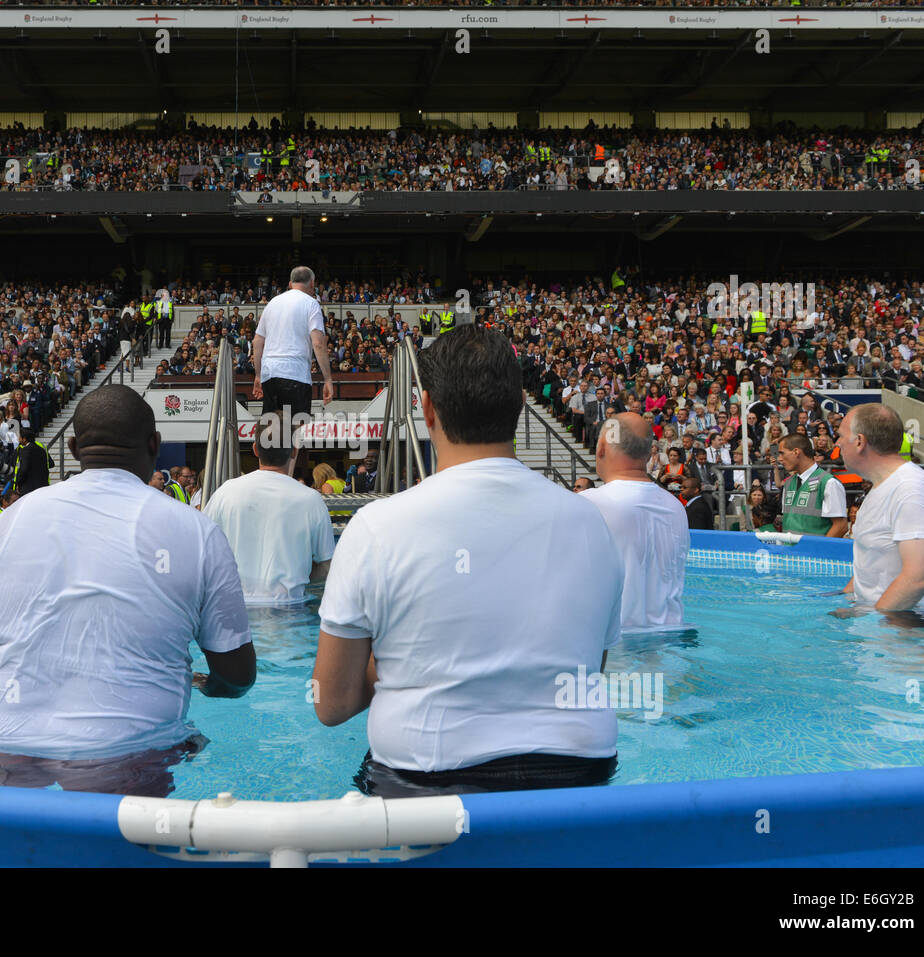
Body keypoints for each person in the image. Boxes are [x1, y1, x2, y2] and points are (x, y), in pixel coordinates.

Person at [314, 326, 624, 797]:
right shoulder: (591, 525)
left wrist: (402, 662)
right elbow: (588, 664)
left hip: (426, 779)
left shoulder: (377, 527)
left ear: (428, 408)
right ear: (520, 406)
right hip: (580, 776)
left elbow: (331, 704)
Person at [0, 384, 255, 796]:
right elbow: (238, 675)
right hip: (125, 751)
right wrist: (210, 685)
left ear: (73, 446)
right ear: (155, 444)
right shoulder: (196, 531)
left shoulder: (10, 521)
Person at [834, 404, 924, 625]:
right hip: (885, 631)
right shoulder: (881, 487)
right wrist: (842, 600)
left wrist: (874, 620)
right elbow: (872, 560)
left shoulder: (911, 490)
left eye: (842, 436)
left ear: (860, 442)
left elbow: (919, 578)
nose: (838, 443)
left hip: (910, 640)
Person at [204, 415, 335, 605]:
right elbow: (326, 566)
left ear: (256, 450)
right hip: (289, 610)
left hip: (233, 609)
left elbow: (203, 552)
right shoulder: (311, 499)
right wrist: (299, 573)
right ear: (294, 452)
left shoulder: (225, 493)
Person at [580, 413, 690, 631]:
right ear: (649, 453)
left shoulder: (589, 504)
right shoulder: (675, 507)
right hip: (669, 640)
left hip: (615, 645)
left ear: (601, 447)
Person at [249, 266, 334, 459]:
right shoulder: (311, 304)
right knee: (294, 431)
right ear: (312, 284)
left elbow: (257, 341)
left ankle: (268, 474)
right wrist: (328, 379)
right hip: (295, 373)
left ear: (289, 283)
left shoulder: (272, 303)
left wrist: (257, 375)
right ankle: (288, 478)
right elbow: (318, 344)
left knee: (270, 429)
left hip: (270, 373)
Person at [774, 433, 848, 537]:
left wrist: (818, 551)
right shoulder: (788, 483)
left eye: (782, 453)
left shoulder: (829, 483)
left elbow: (841, 526)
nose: (779, 459)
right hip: (790, 552)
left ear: (796, 452)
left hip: (813, 552)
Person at [10, 427, 53, 495]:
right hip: (43, 486)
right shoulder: (42, 449)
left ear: (24, 439)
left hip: (29, 489)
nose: (18, 438)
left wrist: (18, 483)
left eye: (19, 436)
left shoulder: (25, 450)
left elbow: (24, 470)